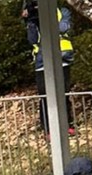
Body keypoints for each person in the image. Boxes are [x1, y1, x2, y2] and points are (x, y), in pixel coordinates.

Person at [23, 0, 75, 135]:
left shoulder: (62, 12)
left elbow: (63, 28)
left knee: (63, 93)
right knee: (45, 96)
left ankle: (66, 125)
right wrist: (30, 21)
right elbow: (33, 40)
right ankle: (48, 129)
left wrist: (47, 18)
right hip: (42, 62)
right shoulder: (33, 18)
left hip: (62, 58)